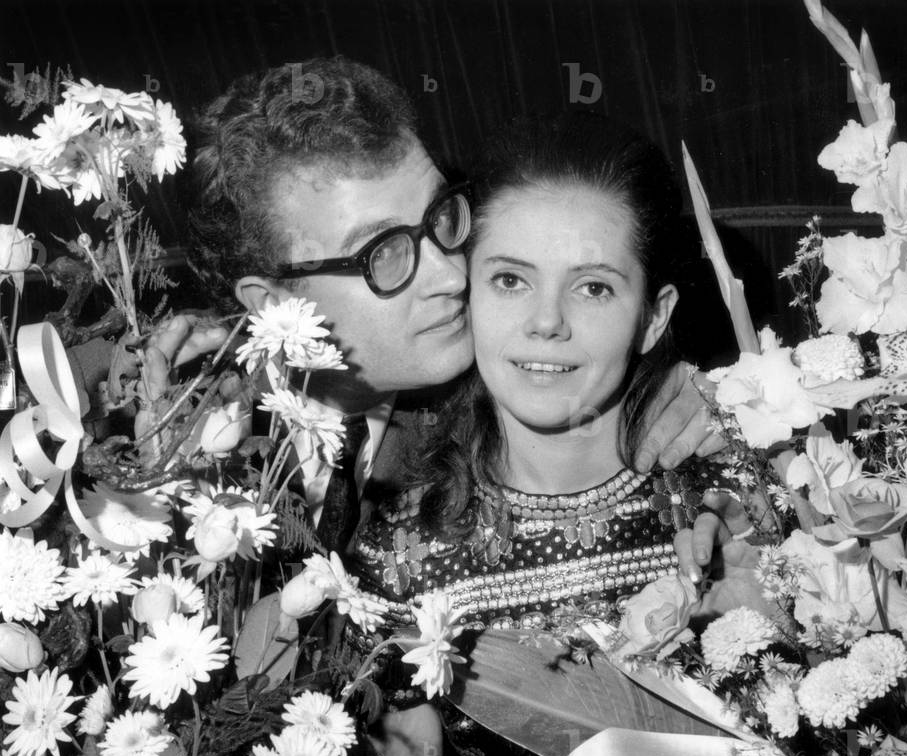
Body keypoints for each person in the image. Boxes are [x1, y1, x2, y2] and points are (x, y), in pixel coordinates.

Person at [65, 55, 739, 566]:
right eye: (383, 252)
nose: (452, 273)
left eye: (444, 216)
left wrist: (686, 398)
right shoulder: (132, 413)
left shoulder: (508, 388)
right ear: (274, 305)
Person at [343, 112, 740, 756]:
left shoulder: (729, 499)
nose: (546, 324)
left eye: (594, 287)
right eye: (512, 279)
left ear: (652, 314)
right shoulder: (403, 548)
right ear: (468, 293)